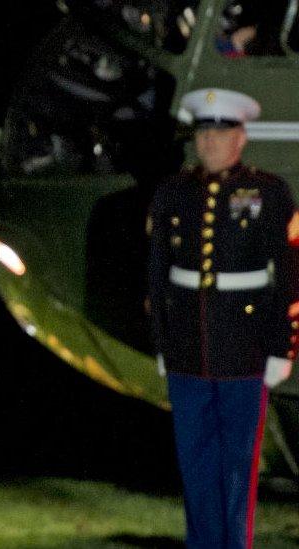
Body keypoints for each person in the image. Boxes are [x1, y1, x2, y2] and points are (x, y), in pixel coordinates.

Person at [147, 88, 298, 549]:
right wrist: (161, 342)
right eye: (203, 132)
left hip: (246, 348)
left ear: (241, 137)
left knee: (237, 466)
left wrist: (281, 347)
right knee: (194, 462)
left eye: (221, 132)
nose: (210, 142)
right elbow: (156, 275)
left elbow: (288, 274)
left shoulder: (268, 192)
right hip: (188, 347)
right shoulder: (173, 192)